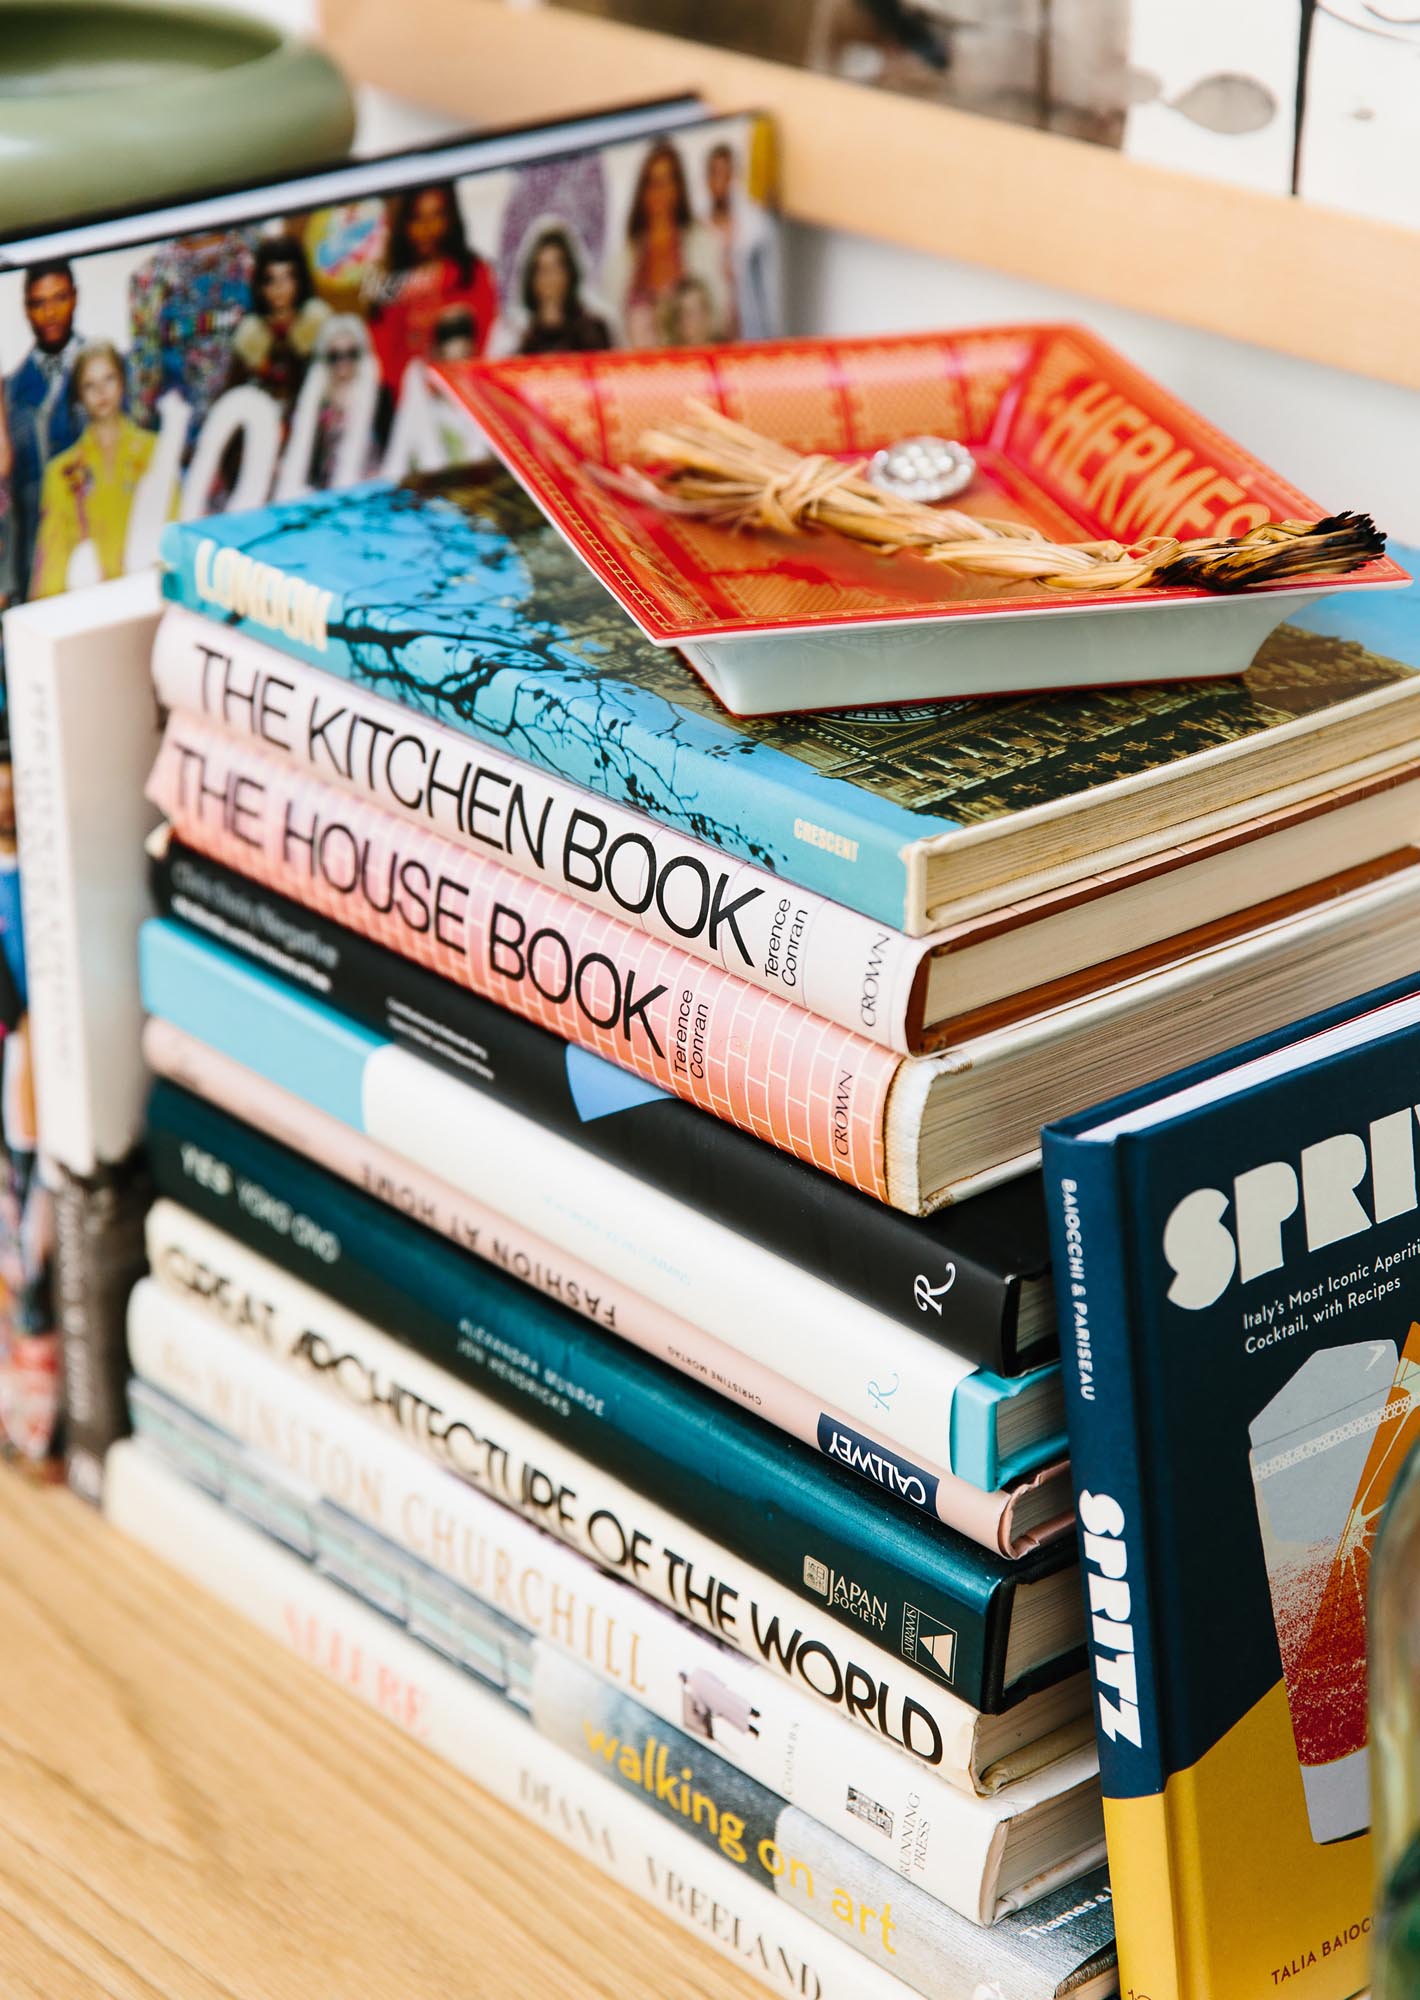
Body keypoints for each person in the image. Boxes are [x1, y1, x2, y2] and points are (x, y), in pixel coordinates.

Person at [29, 342, 161, 598]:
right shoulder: (62, 472)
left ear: (122, 382)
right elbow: (52, 555)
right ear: (79, 394)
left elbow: (172, 528)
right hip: (89, 603)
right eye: (90, 385)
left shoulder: (154, 452)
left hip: (148, 594)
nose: (101, 392)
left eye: (109, 379)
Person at [126, 229, 254, 455]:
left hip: (251, 438)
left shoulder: (253, 261)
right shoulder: (151, 278)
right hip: (182, 448)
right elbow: (143, 377)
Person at [365, 183, 498, 397]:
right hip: (409, 408)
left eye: (437, 215)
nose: (428, 229)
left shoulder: (474, 272)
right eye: (417, 218)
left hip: (468, 398)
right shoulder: (387, 283)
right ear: (403, 224)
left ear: (450, 218)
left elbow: (488, 344)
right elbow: (383, 363)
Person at [5, 260, 85, 600]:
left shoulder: (106, 373)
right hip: (38, 572)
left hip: (98, 553)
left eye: (59, 298)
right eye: (39, 302)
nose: (50, 312)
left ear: (75, 298)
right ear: (26, 309)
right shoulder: (10, 393)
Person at [608, 138, 726, 348]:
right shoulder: (622, 260)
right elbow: (612, 329)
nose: (659, 192)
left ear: (678, 188)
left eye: (667, 181)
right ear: (642, 191)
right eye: (653, 183)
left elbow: (720, 316)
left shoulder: (704, 245)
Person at [226, 234, 330, 424]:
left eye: (287, 277)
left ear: (299, 281)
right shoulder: (249, 337)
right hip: (262, 430)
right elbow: (230, 398)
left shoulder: (319, 327)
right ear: (260, 286)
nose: (279, 288)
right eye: (271, 280)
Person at [279, 313, 380, 494]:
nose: (343, 362)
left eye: (351, 354)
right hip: (323, 491)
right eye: (335, 356)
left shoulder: (379, 397)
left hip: (368, 489)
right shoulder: (315, 401)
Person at [703, 139, 779, 341]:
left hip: (749, 326)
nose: (721, 182)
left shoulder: (753, 227)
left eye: (726, 174)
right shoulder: (699, 229)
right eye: (715, 173)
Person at [515, 225, 612, 355]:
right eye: (543, 270)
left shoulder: (592, 333)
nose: (550, 278)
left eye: (556, 269)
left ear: (569, 273)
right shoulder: (523, 340)